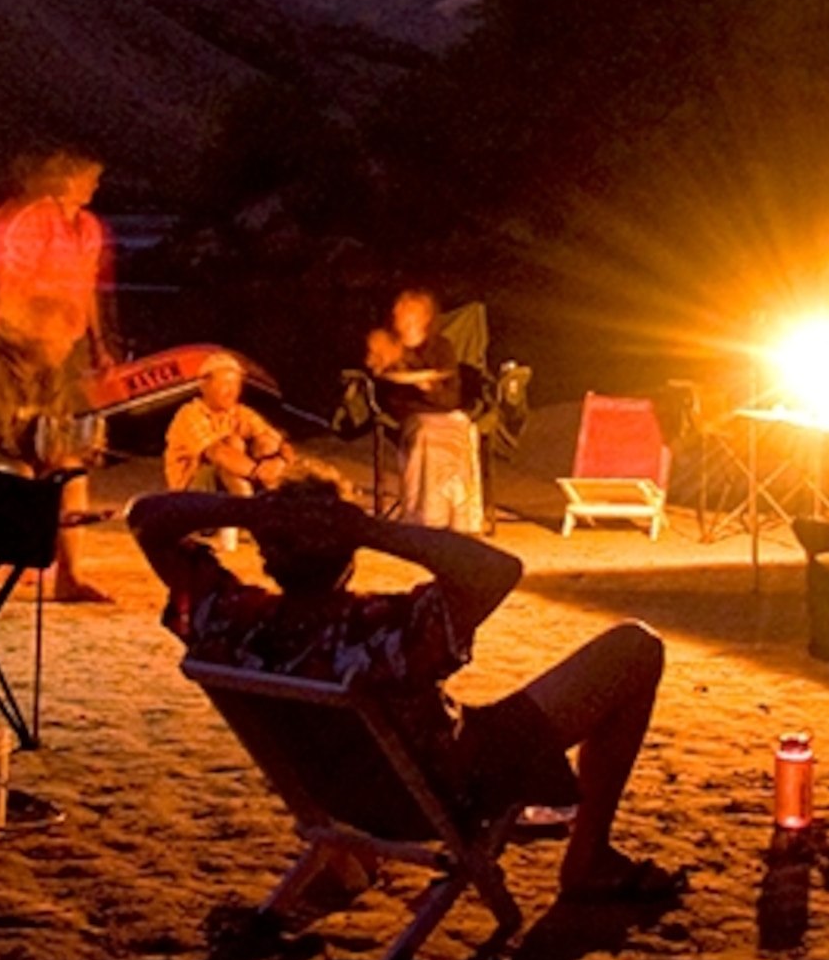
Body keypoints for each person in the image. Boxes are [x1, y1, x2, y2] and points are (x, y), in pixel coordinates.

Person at [133, 472, 681, 908]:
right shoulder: (378, 629)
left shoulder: (233, 622)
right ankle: (588, 858)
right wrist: (370, 528)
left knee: (482, 713)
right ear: (349, 554)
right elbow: (496, 569)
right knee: (635, 648)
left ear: (266, 553)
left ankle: (355, 861)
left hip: (337, 802)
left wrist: (251, 512)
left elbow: (147, 517)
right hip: (450, 790)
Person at [0, 149, 116, 601]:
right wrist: (10, 331)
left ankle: (70, 575)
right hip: (26, 332)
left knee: (69, 455)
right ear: (64, 180)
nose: (95, 186)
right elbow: (8, 279)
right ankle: (2, 556)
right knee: (14, 453)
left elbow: (88, 289)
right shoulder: (31, 221)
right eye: (89, 178)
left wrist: (97, 342)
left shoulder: (88, 227)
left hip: (63, 336)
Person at [366, 288, 485, 532]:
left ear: (423, 317)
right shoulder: (389, 344)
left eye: (408, 313)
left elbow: (451, 398)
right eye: (399, 313)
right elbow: (382, 384)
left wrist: (427, 386)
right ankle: (424, 513)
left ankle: (461, 516)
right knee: (426, 434)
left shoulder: (442, 348)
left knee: (464, 429)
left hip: (442, 410)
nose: (401, 318)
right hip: (410, 414)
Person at [161, 353, 292, 495]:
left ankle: (270, 502)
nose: (232, 391)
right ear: (204, 386)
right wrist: (258, 473)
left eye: (235, 384)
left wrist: (280, 461)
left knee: (267, 444)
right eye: (225, 384)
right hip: (190, 491)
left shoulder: (241, 412)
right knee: (233, 445)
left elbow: (280, 442)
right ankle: (247, 507)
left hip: (243, 473)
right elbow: (218, 453)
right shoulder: (189, 414)